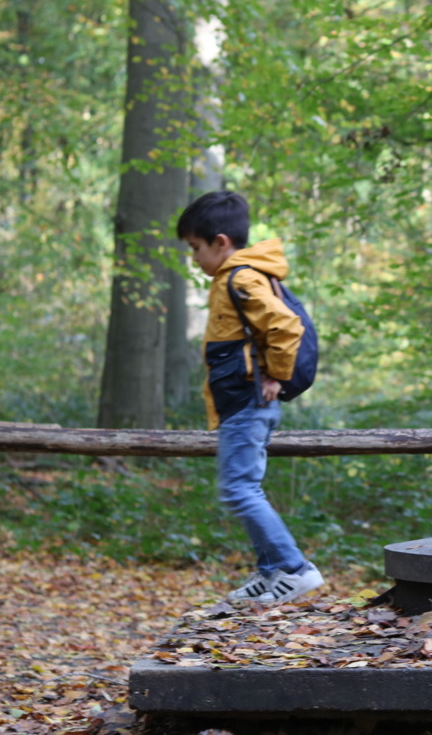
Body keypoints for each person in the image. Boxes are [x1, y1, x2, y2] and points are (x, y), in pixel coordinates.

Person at [176, 190, 324, 606]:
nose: (193, 258)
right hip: (240, 401)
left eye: (196, 248)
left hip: (247, 401)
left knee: (238, 489)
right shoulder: (237, 276)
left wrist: (277, 375)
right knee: (246, 487)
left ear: (220, 242)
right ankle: (271, 571)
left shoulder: (240, 277)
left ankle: (296, 569)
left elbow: (285, 326)